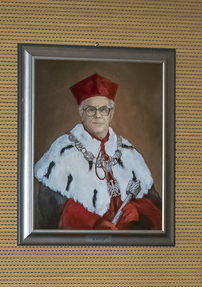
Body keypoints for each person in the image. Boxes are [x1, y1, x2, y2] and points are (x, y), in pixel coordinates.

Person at [32, 73, 161, 230]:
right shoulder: (63, 151)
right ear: (82, 113)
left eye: (103, 109)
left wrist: (138, 211)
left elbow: (155, 205)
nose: (98, 115)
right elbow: (51, 207)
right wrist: (93, 223)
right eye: (91, 109)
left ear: (111, 114)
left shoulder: (128, 153)